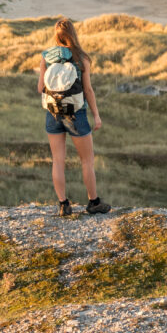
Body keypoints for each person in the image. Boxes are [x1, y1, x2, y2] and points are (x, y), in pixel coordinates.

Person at [38, 18, 109, 217]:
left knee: (58, 161)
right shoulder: (81, 58)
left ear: (56, 34)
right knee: (87, 161)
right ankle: (93, 202)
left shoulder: (46, 56)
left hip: (53, 113)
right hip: (76, 114)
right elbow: (88, 89)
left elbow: (39, 88)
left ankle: (63, 204)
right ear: (73, 33)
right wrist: (96, 115)